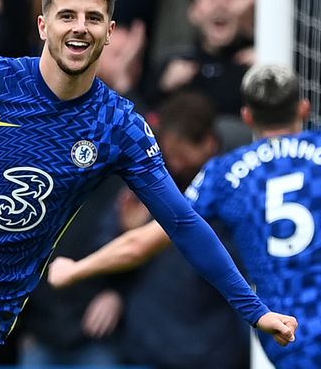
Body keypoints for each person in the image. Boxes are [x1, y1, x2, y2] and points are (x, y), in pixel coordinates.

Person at [0, 0, 297, 369]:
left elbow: (182, 223)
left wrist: (254, 310)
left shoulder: (117, 126)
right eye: (67, 15)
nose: (80, 27)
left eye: (93, 18)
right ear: (44, 26)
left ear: (109, 33)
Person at [48, 64, 319, 367]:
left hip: (288, 334)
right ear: (304, 109)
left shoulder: (226, 173)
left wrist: (76, 269)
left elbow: (142, 244)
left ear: (248, 117)